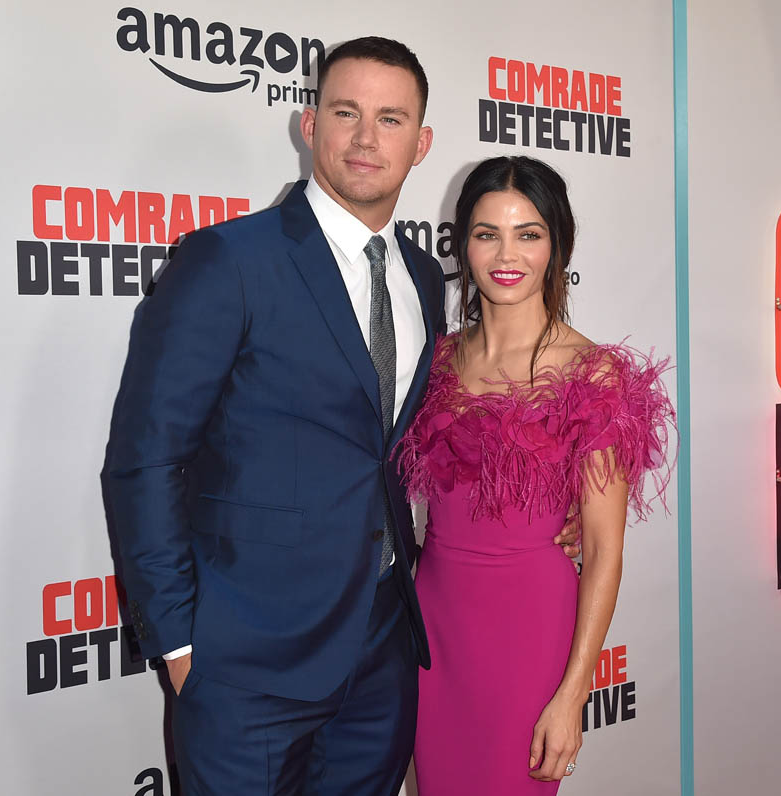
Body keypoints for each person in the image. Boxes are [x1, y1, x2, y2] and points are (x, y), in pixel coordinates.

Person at [103, 39, 577, 795]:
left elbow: (414, 443)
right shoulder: (229, 260)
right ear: (308, 123)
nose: (365, 138)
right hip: (246, 666)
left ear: (421, 143)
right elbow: (146, 459)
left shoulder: (423, 277)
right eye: (345, 112)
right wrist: (180, 645)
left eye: (391, 119)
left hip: (383, 658)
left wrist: (549, 506)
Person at [398, 156, 675, 795]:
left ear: (557, 246)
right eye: (487, 233)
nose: (507, 254)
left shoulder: (593, 373)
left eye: (528, 234)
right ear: (463, 244)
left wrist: (573, 695)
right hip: (434, 626)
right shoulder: (435, 360)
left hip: (528, 631)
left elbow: (602, 550)